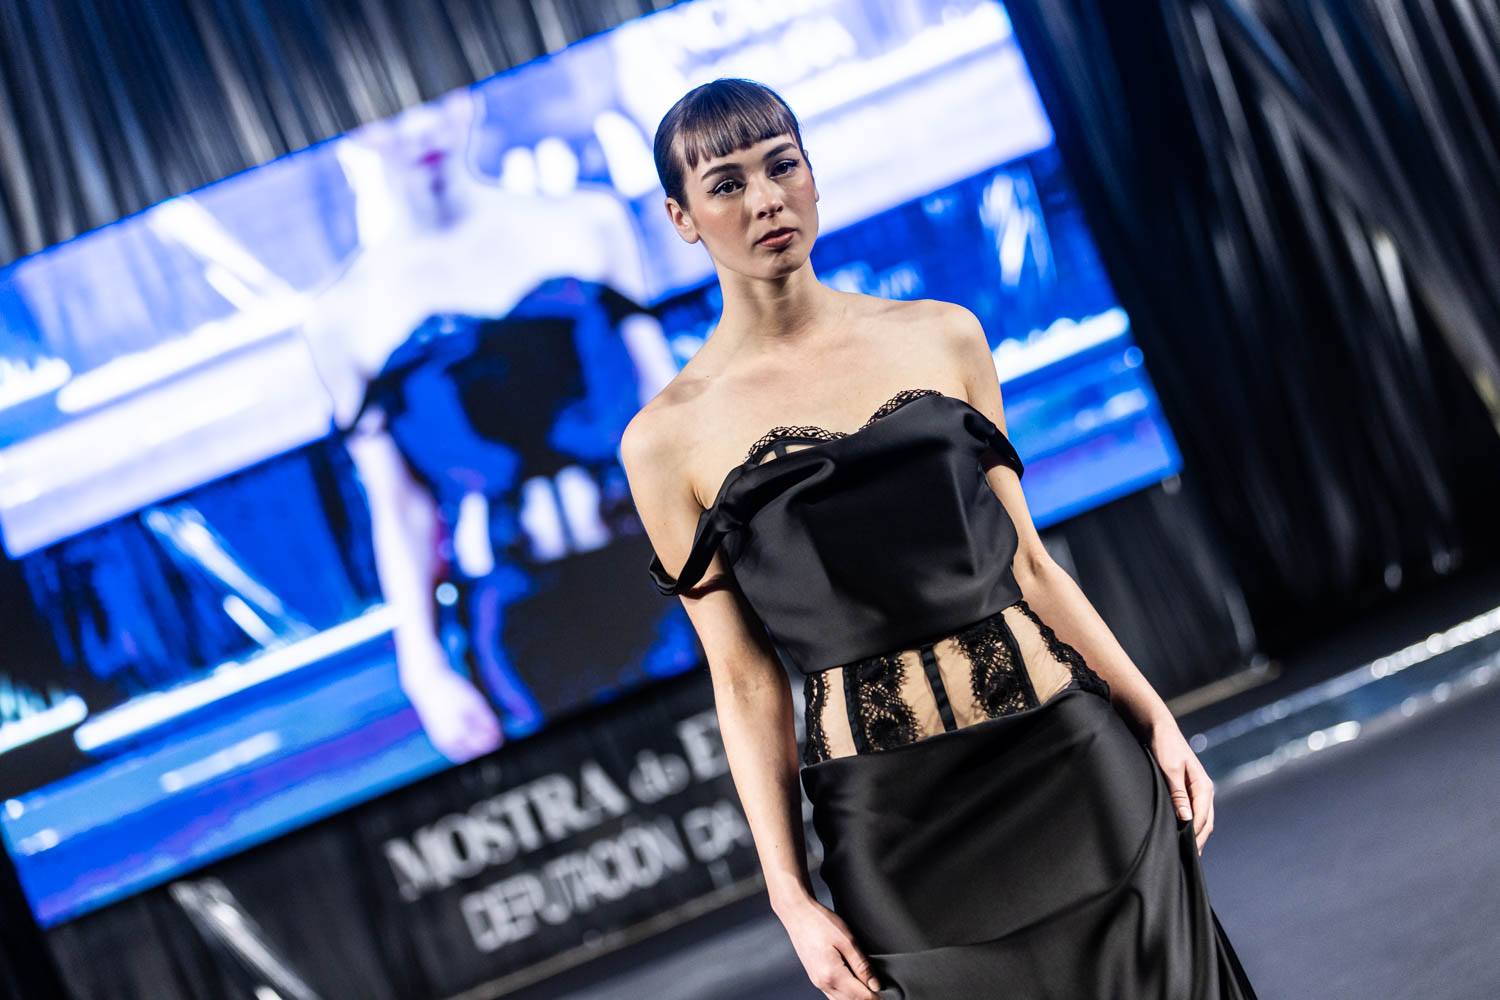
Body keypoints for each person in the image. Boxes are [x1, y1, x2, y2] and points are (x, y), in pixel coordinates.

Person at [621, 78, 1259, 999]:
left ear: (811, 174)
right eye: (727, 184)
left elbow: (1031, 565)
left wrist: (1154, 718)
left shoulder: (942, 337)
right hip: (893, 828)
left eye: (782, 166)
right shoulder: (666, 439)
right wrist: (790, 896)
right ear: (682, 219)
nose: (765, 200)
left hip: (1072, 763)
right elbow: (744, 677)